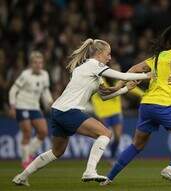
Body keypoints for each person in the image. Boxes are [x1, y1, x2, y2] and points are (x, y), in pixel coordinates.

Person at [12, 38, 152, 186]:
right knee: (105, 133)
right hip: (69, 110)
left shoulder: (88, 70)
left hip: (58, 110)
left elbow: (105, 96)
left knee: (56, 152)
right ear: (99, 53)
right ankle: (90, 171)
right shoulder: (94, 65)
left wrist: (125, 89)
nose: (110, 57)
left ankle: (22, 176)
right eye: (108, 54)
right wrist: (147, 76)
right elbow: (123, 76)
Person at [100, 25, 171, 186]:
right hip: (164, 105)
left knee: (137, 145)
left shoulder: (157, 57)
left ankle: (109, 178)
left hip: (147, 105)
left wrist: (118, 85)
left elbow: (134, 69)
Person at [91, 62, 144, 162]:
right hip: (102, 113)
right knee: (104, 137)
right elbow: (108, 93)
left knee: (118, 138)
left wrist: (143, 94)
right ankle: (95, 158)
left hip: (116, 112)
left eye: (118, 70)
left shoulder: (118, 81)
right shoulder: (100, 81)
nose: (118, 72)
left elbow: (133, 88)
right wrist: (124, 88)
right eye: (115, 70)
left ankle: (112, 157)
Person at [8, 51, 53, 169]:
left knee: (43, 132)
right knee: (27, 132)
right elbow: (13, 90)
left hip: (35, 107)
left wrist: (50, 102)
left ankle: (28, 154)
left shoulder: (45, 74)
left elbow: (45, 91)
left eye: (40, 63)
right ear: (31, 64)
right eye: (36, 63)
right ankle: (25, 161)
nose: (38, 65)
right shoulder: (25, 75)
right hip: (22, 105)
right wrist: (12, 106)